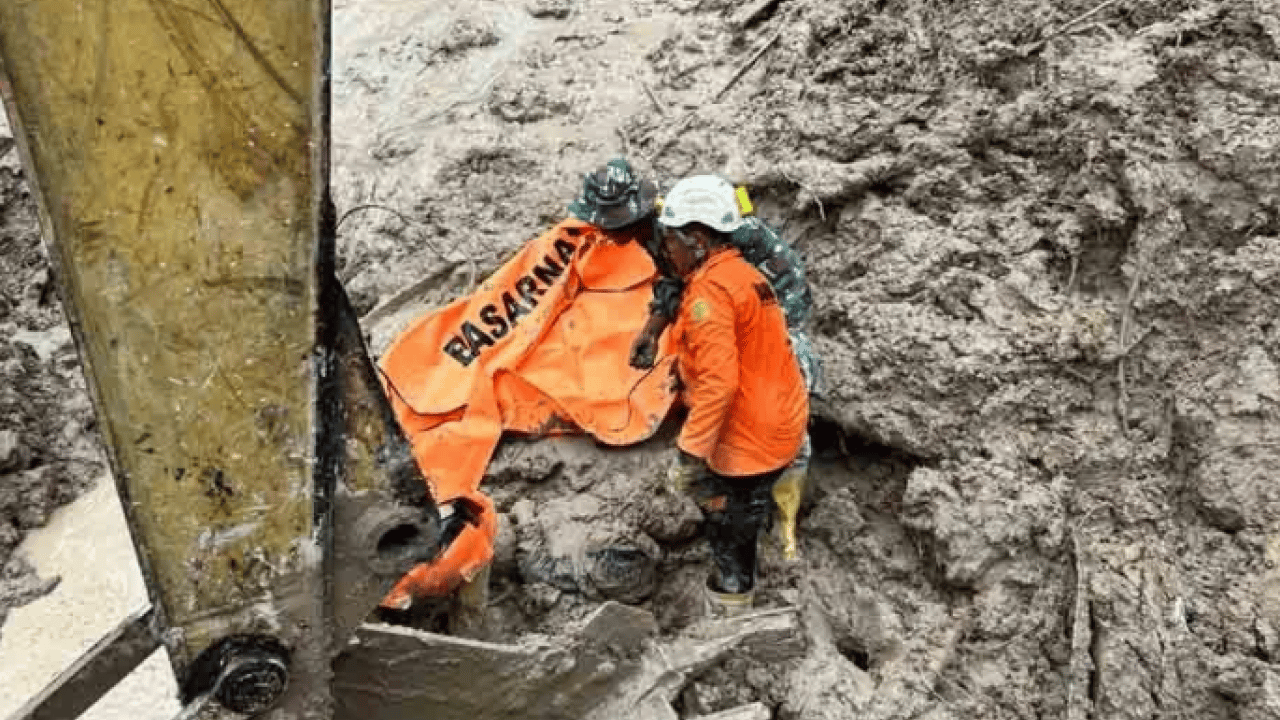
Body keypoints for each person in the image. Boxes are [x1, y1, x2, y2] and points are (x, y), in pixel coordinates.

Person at [631, 182, 822, 563]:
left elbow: (721, 378)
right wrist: (652, 331)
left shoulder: (733, 238)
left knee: (780, 371)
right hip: (734, 299)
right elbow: (674, 282)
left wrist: (691, 453)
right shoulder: (675, 233)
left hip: (772, 297)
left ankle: (783, 510)